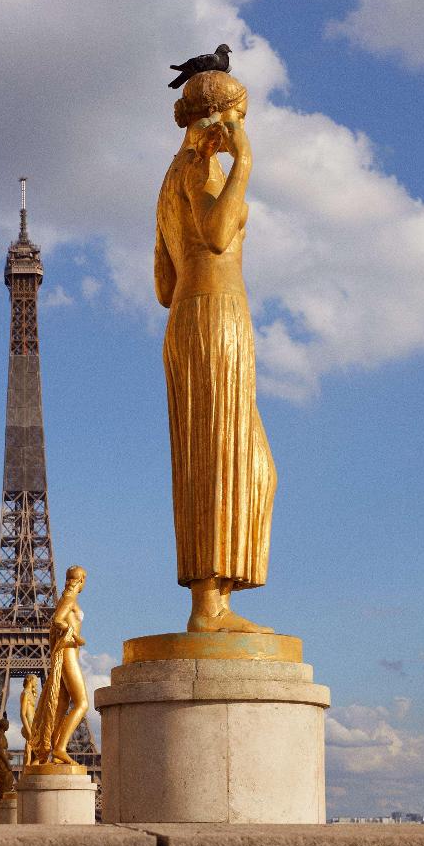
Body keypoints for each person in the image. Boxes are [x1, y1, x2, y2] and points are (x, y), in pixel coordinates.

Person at [155, 70, 276, 634]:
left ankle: (217, 600)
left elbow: (162, 284)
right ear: (222, 118)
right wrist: (244, 164)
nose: (239, 130)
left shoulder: (174, 174)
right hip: (215, 318)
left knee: (246, 463)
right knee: (223, 453)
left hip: (193, 314)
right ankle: (209, 606)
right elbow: (220, 233)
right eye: (238, 120)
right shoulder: (201, 168)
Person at [29, 566, 89, 765]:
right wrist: (76, 636)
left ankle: (51, 748)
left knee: (60, 705)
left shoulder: (69, 599)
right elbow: (57, 620)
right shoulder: (69, 599)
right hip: (68, 654)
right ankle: (60, 748)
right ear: (80, 580)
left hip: (67, 654)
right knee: (82, 703)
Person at [20, 674, 38, 767]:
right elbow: (22, 714)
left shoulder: (30, 693)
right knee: (31, 745)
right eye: (35, 680)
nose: (37, 683)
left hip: (34, 724)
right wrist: (27, 729)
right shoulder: (25, 693)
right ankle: (29, 763)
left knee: (37, 749)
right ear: (30, 680)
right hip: (29, 724)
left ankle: (32, 764)